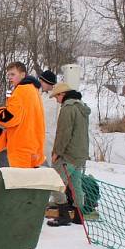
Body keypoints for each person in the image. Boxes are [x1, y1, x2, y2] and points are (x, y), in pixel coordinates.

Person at [0, 61, 46, 168]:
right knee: (31, 181)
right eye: (8, 75)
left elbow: (10, 118)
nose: (10, 78)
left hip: (21, 146)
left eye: (13, 74)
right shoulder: (33, 90)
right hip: (35, 144)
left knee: (19, 182)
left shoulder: (21, 91)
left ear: (23, 74)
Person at [47, 82, 91, 227]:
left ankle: (64, 215)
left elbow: (63, 134)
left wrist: (56, 153)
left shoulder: (68, 108)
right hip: (81, 154)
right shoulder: (81, 106)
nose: (56, 100)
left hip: (69, 155)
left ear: (62, 94)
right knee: (75, 185)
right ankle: (79, 216)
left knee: (55, 183)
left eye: (56, 97)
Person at [39, 69, 59, 165]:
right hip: (40, 135)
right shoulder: (42, 95)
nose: (41, 83)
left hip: (51, 136)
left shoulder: (57, 98)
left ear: (48, 83)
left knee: (51, 164)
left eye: (42, 81)